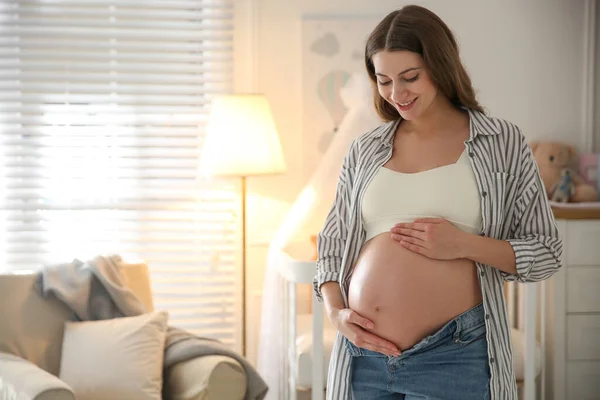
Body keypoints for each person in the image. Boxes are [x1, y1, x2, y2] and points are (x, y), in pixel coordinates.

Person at [313, 5, 563, 400]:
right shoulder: (365, 150)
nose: (397, 94)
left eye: (410, 77)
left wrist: (463, 245)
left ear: (441, 66)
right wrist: (335, 312)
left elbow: (546, 252)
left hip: (456, 357)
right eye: (384, 81)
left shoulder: (501, 143)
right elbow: (331, 245)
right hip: (365, 358)